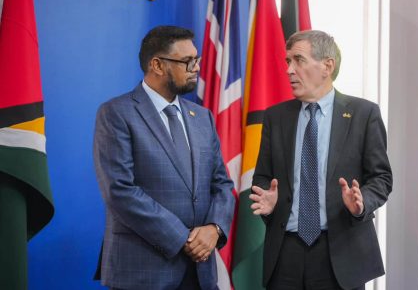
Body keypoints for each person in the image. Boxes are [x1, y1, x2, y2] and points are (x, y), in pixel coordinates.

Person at [93, 25, 234, 290]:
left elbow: (222, 183)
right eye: (187, 61)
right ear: (157, 65)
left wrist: (214, 229)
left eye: (197, 60)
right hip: (143, 273)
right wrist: (185, 239)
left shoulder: (202, 117)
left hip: (200, 274)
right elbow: (119, 190)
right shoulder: (116, 113)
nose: (196, 67)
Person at [249, 30, 393, 290]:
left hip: (340, 251)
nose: (289, 70)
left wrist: (360, 204)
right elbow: (263, 176)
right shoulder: (275, 117)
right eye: (287, 62)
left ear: (327, 66)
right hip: (285, 253)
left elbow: (381, 178)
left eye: (298, 60)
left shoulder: (364, 114)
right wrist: (270, 203)